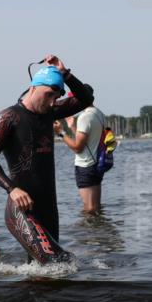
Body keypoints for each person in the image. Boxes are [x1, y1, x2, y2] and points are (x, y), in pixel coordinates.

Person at [0, 55, 94, 263]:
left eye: (56, 97)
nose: (52, 102)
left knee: (46, 269)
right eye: (48, 95)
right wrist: (11, 189)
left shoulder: (50, 112)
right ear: (33, 87)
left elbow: (86, 99)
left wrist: (65, 73)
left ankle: (31, 295)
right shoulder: (8, 117)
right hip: (22, 208)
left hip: (49, 206)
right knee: (55, 261)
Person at [57, 85, 108, 214]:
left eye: (72, 100)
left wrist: (61, 132)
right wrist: (72, 127)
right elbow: (87, 142)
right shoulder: (99, 114)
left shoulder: (84, 117)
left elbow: (78, 148)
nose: (71, 103)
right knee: (96, 207)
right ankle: (99, 231)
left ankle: (88, 233)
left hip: (85, 166)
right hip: (98, 164)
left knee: (89, 209)